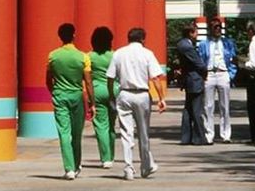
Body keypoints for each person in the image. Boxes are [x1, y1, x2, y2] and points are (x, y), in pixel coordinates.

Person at [106, 27, 166, 180]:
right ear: (143, 39)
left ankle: (128, 168)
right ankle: (145, 166)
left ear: (128, 38)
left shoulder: (118, 53)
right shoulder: (147, 54)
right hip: (142, 94)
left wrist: (112, 96)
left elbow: (110, 78)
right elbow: (155, 78)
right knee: (143, 132)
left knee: (126, 132)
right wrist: (161, 98)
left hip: (124, 93)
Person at [46, 23, 96, 180]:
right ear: (74, 35)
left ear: (59, 36)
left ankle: (69, 169)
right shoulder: (83, 57)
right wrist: (92, 103)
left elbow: (48, 80)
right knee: (76, 133)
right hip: (77, 97)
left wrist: (54, 91)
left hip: (60, 96)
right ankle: (76, 164)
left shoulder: (52, 56)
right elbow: (88, 82)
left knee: (64, 132)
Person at [197, 18, 238, 143]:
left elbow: (234, 59)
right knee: (208, 106)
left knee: (224, 106)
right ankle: (209, 135)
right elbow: (200, 60)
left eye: (219, 27)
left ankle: (226, 134)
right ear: (210, 29)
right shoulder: (204, 44)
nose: (218, 29)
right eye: (215, 27)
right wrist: (203, 74)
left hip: (223, 73)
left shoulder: (227, 43)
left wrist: (230, 74)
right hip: (209, 74)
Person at [89, 27, 117, 168]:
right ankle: (112, 155)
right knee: (112, 125)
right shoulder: (115, 55)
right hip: (114, 91)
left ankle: (105, 158)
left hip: (97, 90)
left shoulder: (90, 56)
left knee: (101, 125)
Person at [176, 23, 208, 145]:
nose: (197, 34)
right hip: (194, 80)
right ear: (190, 33)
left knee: (188, 109)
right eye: (195, 32)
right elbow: (199, 64)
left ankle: (186, 137)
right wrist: (204, 73)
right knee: (196, 110)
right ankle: (199, 137)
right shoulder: (187, 47)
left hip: (188, 80)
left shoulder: (181, 44)